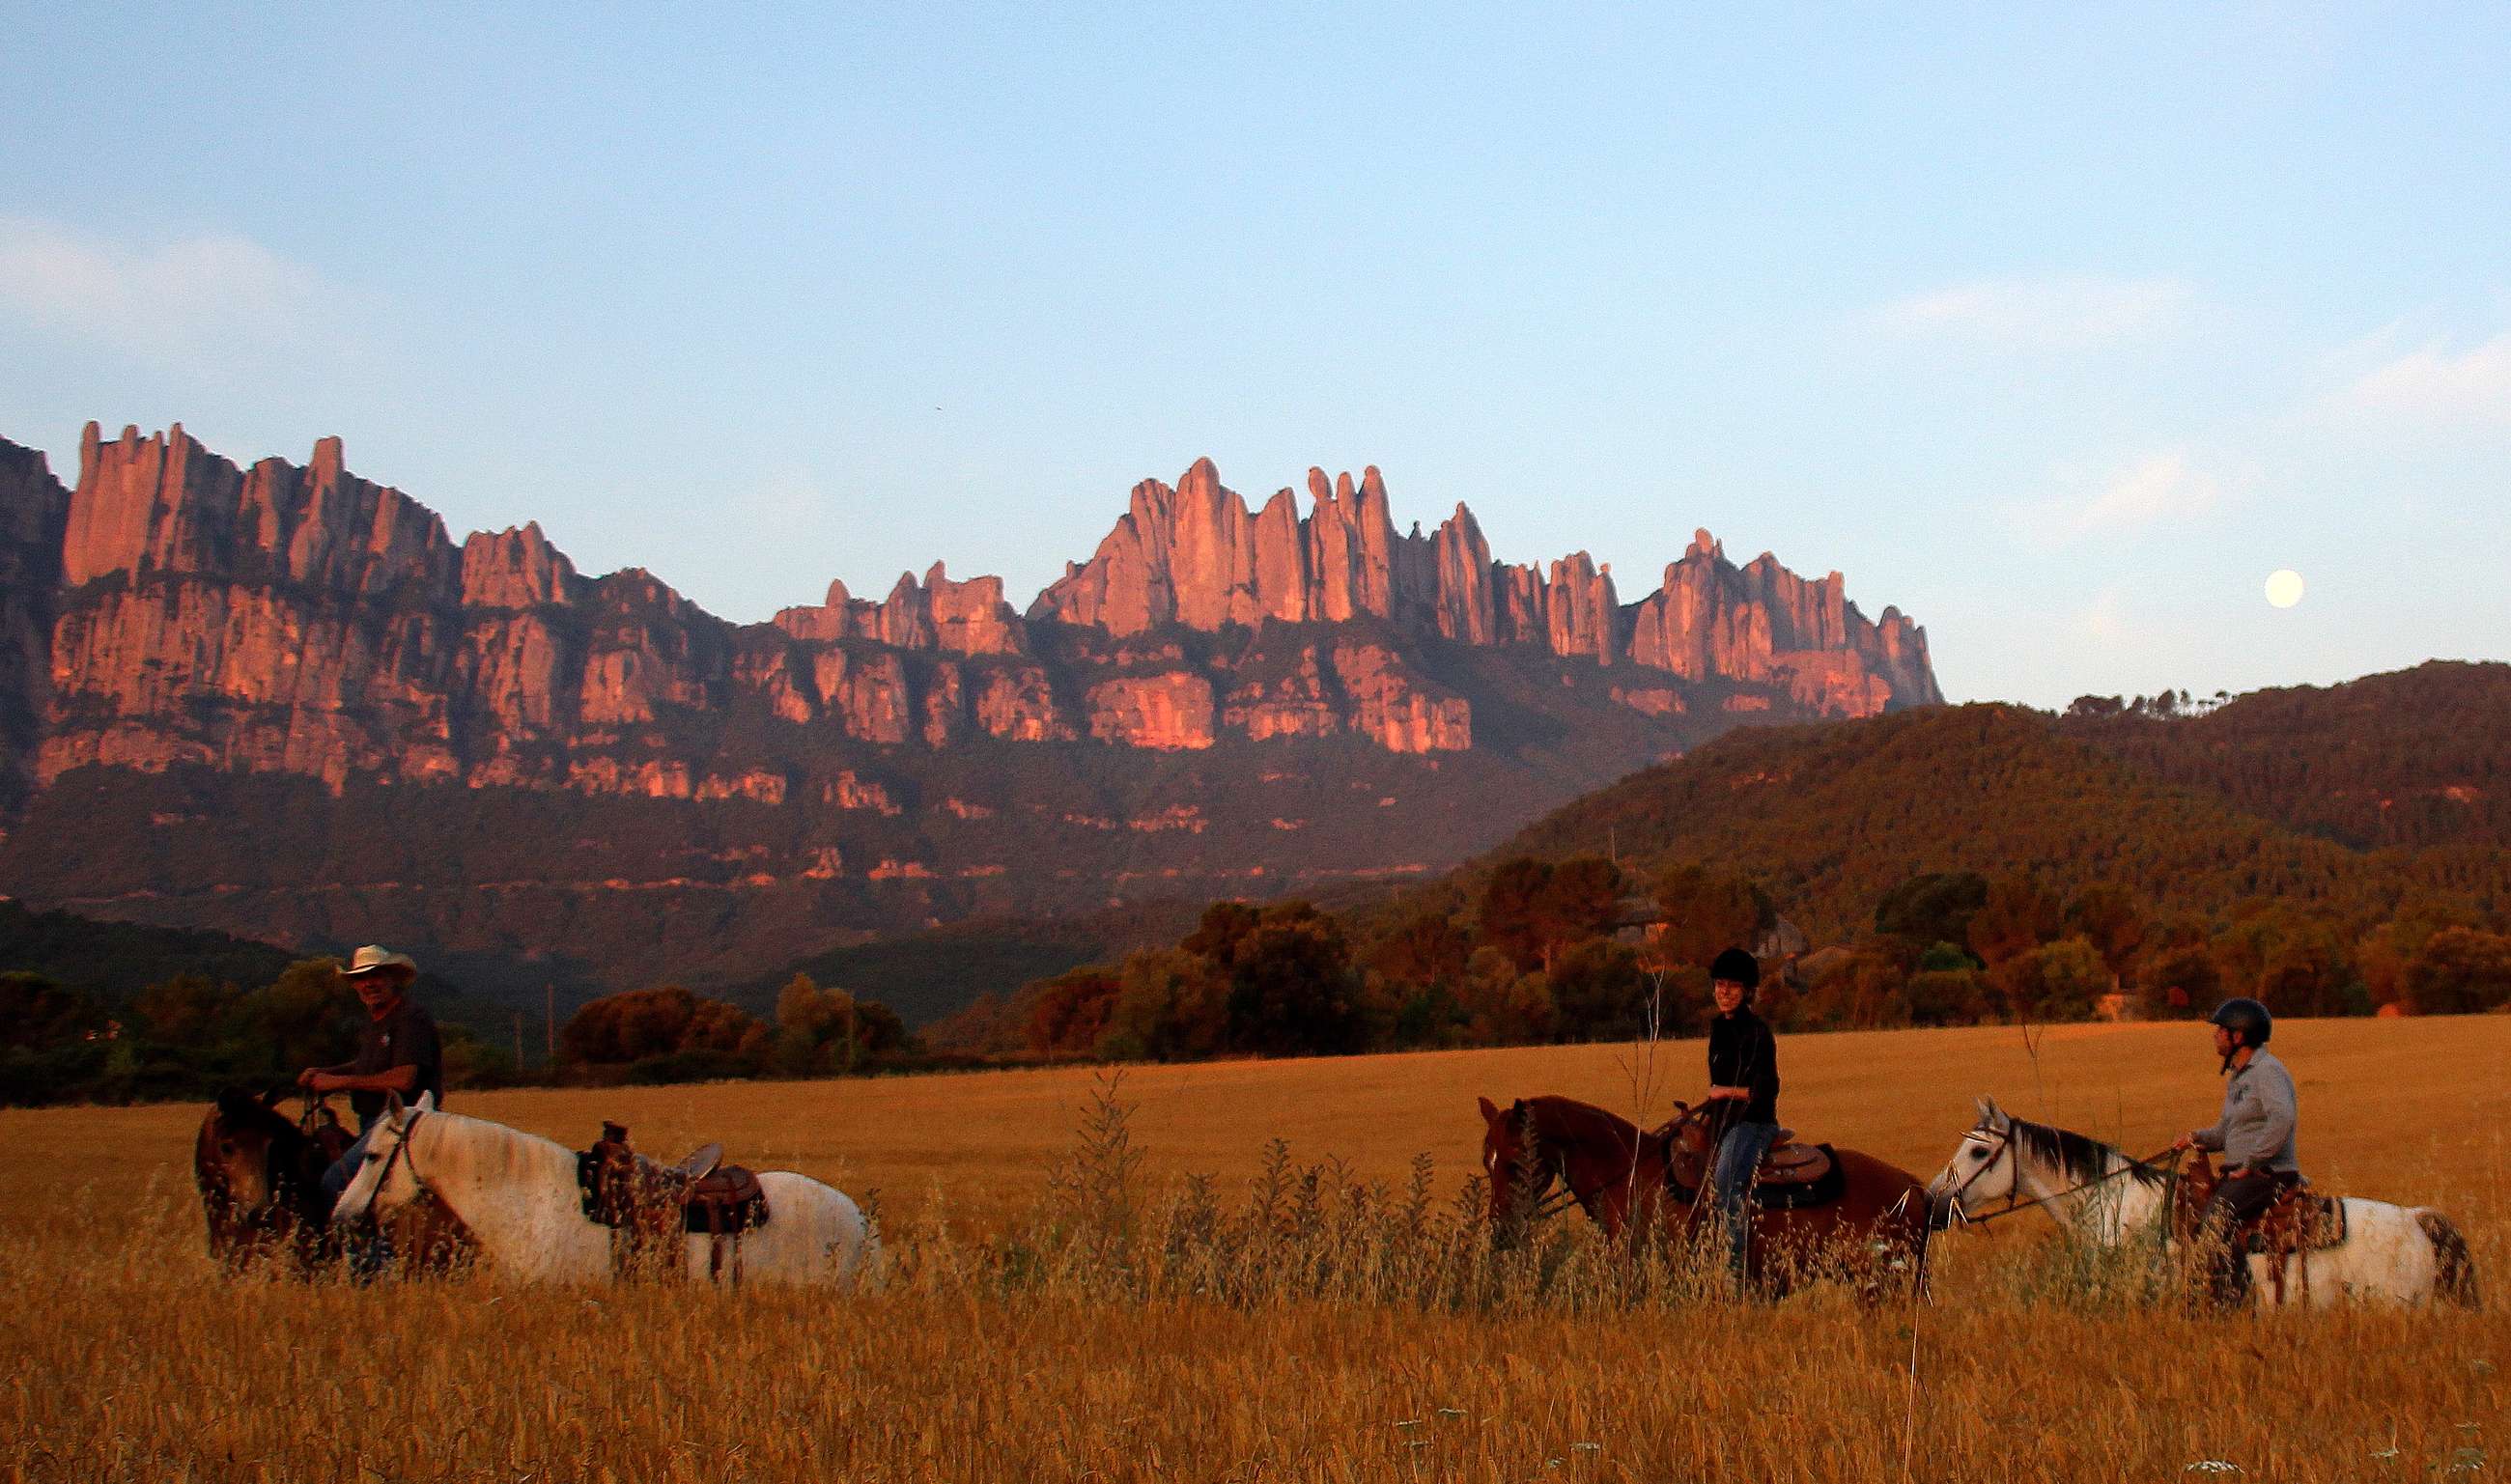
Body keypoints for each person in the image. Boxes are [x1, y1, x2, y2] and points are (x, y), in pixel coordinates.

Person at [2169, 997, 2300, 1308]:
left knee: (2216, 1220)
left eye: (2221, 1030)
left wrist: (2253, 1162)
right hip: (2243, 1173)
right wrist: (2194, 1138)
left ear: (2238, 1037)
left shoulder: (2266, 1071)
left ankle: (2237, 1300)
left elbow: (2282, 1118)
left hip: (2268, 1174)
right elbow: (2226, 1132)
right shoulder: (2239, 1078)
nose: (2215, 1036)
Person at [299, 945, 444, 1205]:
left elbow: (403, 1079)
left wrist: (338, 1082)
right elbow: (368, 1065)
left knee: (335, 1182)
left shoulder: (410, 1018)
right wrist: (325, 1074)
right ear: (354, 984)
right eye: (360, 978)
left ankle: (370, 1247)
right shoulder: (378, 1019)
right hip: (375, 1123)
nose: (368, 984)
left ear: (392, 978)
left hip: (402, 1125)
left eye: (375, 976)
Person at [1703, 945, 1780, 1295]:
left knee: (1724, 1182)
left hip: (1753, 1124)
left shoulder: (1758, 1032)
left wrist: (1724, 1093)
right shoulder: (1718, 1028)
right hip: (1724, 1122)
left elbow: (1765, 1090)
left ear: (1747, 992)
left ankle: (1739, 1266)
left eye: (1732, 986)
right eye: (1719, 985)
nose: (1724, 992)